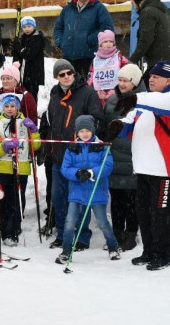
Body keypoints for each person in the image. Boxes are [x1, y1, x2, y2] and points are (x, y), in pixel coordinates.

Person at [107, 60, 170, 270]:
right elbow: (130, 120)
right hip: (143, 168)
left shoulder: (163, 100)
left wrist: (134, 97)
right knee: (144, 212)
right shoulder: (143, 104)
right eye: (150, 76)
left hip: (163, 170)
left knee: (161, 214)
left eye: (156, 77)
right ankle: (149, 251)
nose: (151, 79)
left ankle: (164, 254)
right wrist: (118, 126)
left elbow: (156, 103)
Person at [39, 59, 104, 250]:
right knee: (59, 198)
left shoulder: (87, 93)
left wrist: (84, 139)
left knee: (79, 198)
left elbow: (98, 121)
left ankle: (82, 237)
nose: (67, 77)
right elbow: (51, 121)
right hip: (59, 156)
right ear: (56, 77)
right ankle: (63, 233)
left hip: (80, 156)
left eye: (69, 73)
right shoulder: (55, 94)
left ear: (74, 73)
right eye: (62, 74)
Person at [56, 115, 119, 264]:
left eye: (87, 130)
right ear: (77, 132)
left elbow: (107, 166)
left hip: (96, 190)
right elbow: (65, 168)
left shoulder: (102, 146)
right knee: (70, 222)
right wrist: (77, 173)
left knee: (103, 221)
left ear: (93, 130)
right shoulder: (72, 147)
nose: (84, 134)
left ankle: (113, 246)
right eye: (81, 131)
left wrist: (92, 172)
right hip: (77, 191)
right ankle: (66, 250)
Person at [0, 94, 41, 246]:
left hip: (21, 168)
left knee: (17, 202)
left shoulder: (25, 123)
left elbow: (35, 146)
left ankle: (14, 230)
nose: (10, 109)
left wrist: (34, 130)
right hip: (3, 168)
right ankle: (6, 231)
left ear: (17, 107)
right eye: (7, 106)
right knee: (4, 202)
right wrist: (3, 147)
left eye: (13, 106)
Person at [103, 63, 144, 252]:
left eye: (125, 81)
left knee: (131, 200)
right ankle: (117, 234)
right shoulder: (112, 100)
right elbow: (106, 124)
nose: (121, 84)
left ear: (134, 82)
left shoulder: (143, 100)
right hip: (113, 156)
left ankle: (130, 234)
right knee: (117, 200)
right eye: (119, 80)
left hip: (133, 156)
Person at [54, 0, 114, 78]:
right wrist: (61, 42)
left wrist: (90, 40)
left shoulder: (98, 8)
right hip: (69, 58)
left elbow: (107, 28)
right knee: (70, 89)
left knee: (87, 89)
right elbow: (58, 28)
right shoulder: (68, 9)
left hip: (89, 57)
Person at [128, 0, 170, 84]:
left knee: (147, 88)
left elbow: (146, 40)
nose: (133, 5)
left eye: (133, 2)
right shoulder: (161, 9)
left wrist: (131, 61)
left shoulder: (148, 12)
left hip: (158, 62)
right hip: (165, 61)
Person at [87, 30, 130, 107]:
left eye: (110, 41)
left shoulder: (119, 58)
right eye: (105, 41)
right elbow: (91, 77)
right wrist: (93, 92)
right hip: (99, 96)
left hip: (117, 95)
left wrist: (112, 93)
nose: (108, 44)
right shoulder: (95, 60)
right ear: (100, 44)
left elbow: (128, 73)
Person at [11, 16, 45, 102]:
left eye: (29, 26)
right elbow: (18, 55)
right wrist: (15, 48)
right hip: (23, 73)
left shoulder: (37, 38)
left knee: (31, 96)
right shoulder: (23, 38)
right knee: (23, 95)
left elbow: (28, 54)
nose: (27, 29)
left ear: (34, 26)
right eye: (24, 27)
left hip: (33, 74)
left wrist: (18, 48)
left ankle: (32, 113)